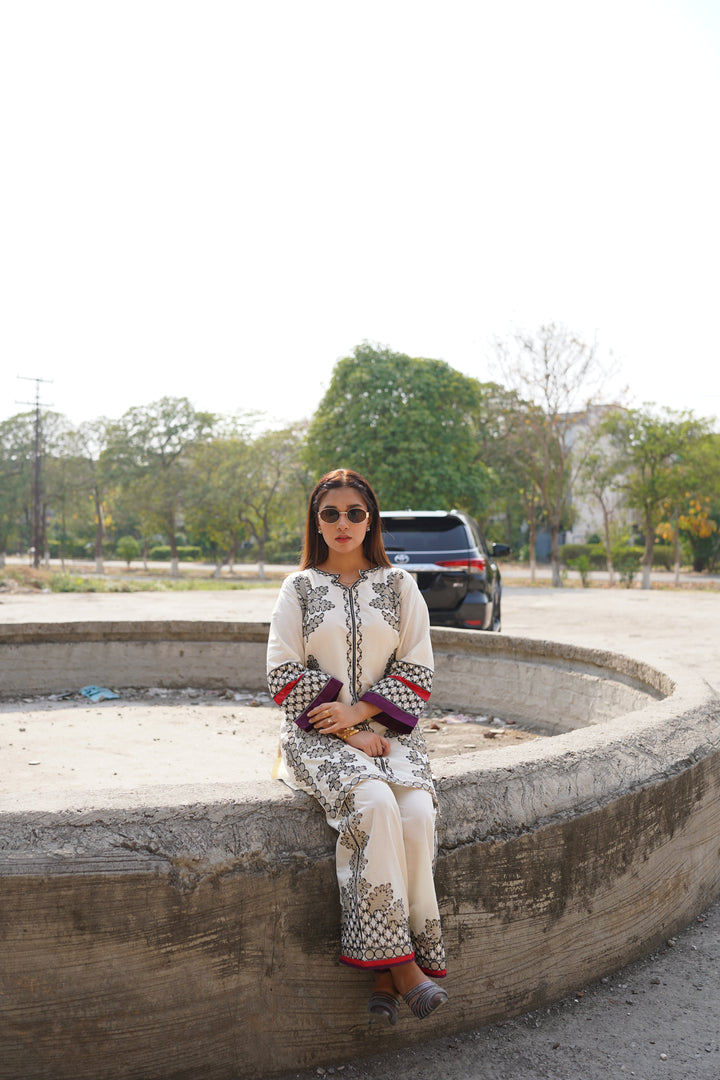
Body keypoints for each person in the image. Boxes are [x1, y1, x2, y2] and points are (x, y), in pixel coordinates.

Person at [266, 468, 448, 1024]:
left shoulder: (399, 586)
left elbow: (418, 668)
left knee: (416, 815)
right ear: (316, 522)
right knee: (372, 804)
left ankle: (384, 971)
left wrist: (362, 714)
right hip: (315, 737)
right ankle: (405, 967)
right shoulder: (298, 588)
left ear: (371, 521)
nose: (342, 523)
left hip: (389, 735)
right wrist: (347, 729)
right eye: (331, 513)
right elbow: (282, 673)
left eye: (354, 513)